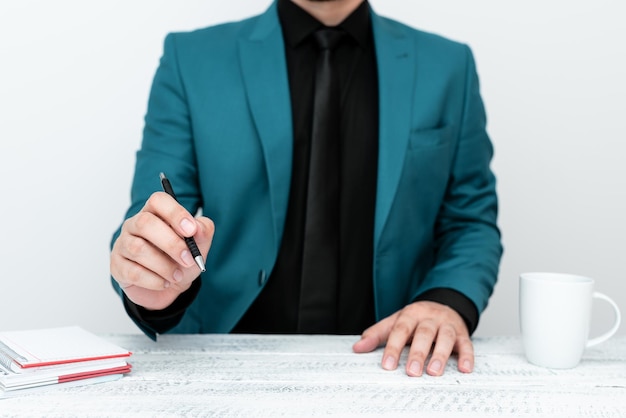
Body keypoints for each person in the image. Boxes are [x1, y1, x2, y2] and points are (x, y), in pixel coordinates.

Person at [110, 0, 502, 378]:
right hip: (226, 364)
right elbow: (151, 214)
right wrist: (149, 278)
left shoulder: (448, 65)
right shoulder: (190, 58)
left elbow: (470, 221)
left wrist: (447, 300)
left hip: (394, 365)